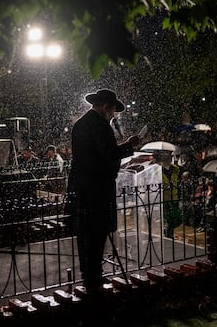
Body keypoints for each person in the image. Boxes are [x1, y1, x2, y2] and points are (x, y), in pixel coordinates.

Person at [67, 89, 139, 296]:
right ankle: (93, 277)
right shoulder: (99, 125)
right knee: (96, 231)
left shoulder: (83, 123)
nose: (114, 115)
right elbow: (108, 154)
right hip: (95, 187)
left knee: (87, 232)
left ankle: (91, 273)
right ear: (105, 106)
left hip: (85, 185)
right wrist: (129, 145)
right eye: (113, 110)